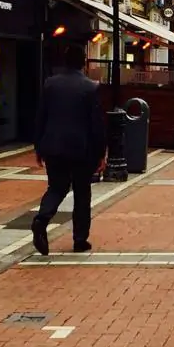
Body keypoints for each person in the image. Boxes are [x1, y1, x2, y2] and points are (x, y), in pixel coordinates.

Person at [31, 44, 107, 255]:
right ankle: (80, 239)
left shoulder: (50, 84)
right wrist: (101, 153)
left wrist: (39, 147)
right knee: (82, 193)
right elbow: (97, 124)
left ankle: (41, 219)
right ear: (84, 63)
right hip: (82, 149)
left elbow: (41, 117)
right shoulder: (90, 87)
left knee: (56, 187)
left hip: (53, 146)